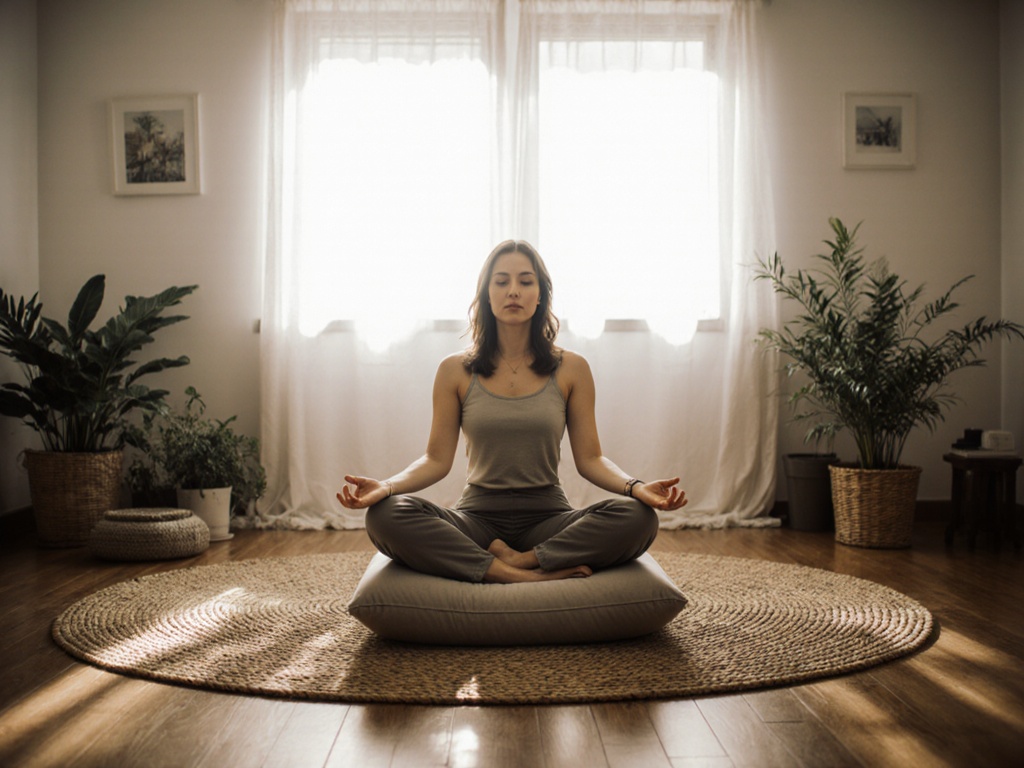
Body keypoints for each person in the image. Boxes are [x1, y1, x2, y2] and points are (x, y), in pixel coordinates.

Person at [337, 240, 687, 584]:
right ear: (487, 295)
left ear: (541, 295)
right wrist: (385, 487)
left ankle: (524, 560)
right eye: (502, 281)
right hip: (479, 522)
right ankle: (509, 573)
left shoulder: (572, 369)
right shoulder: (454, 370)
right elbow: (435, 459)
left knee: (639, 518)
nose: (514, 291)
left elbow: (591, 459)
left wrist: (636, 488)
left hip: (548, 518)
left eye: (525, 281)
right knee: (385, 515)